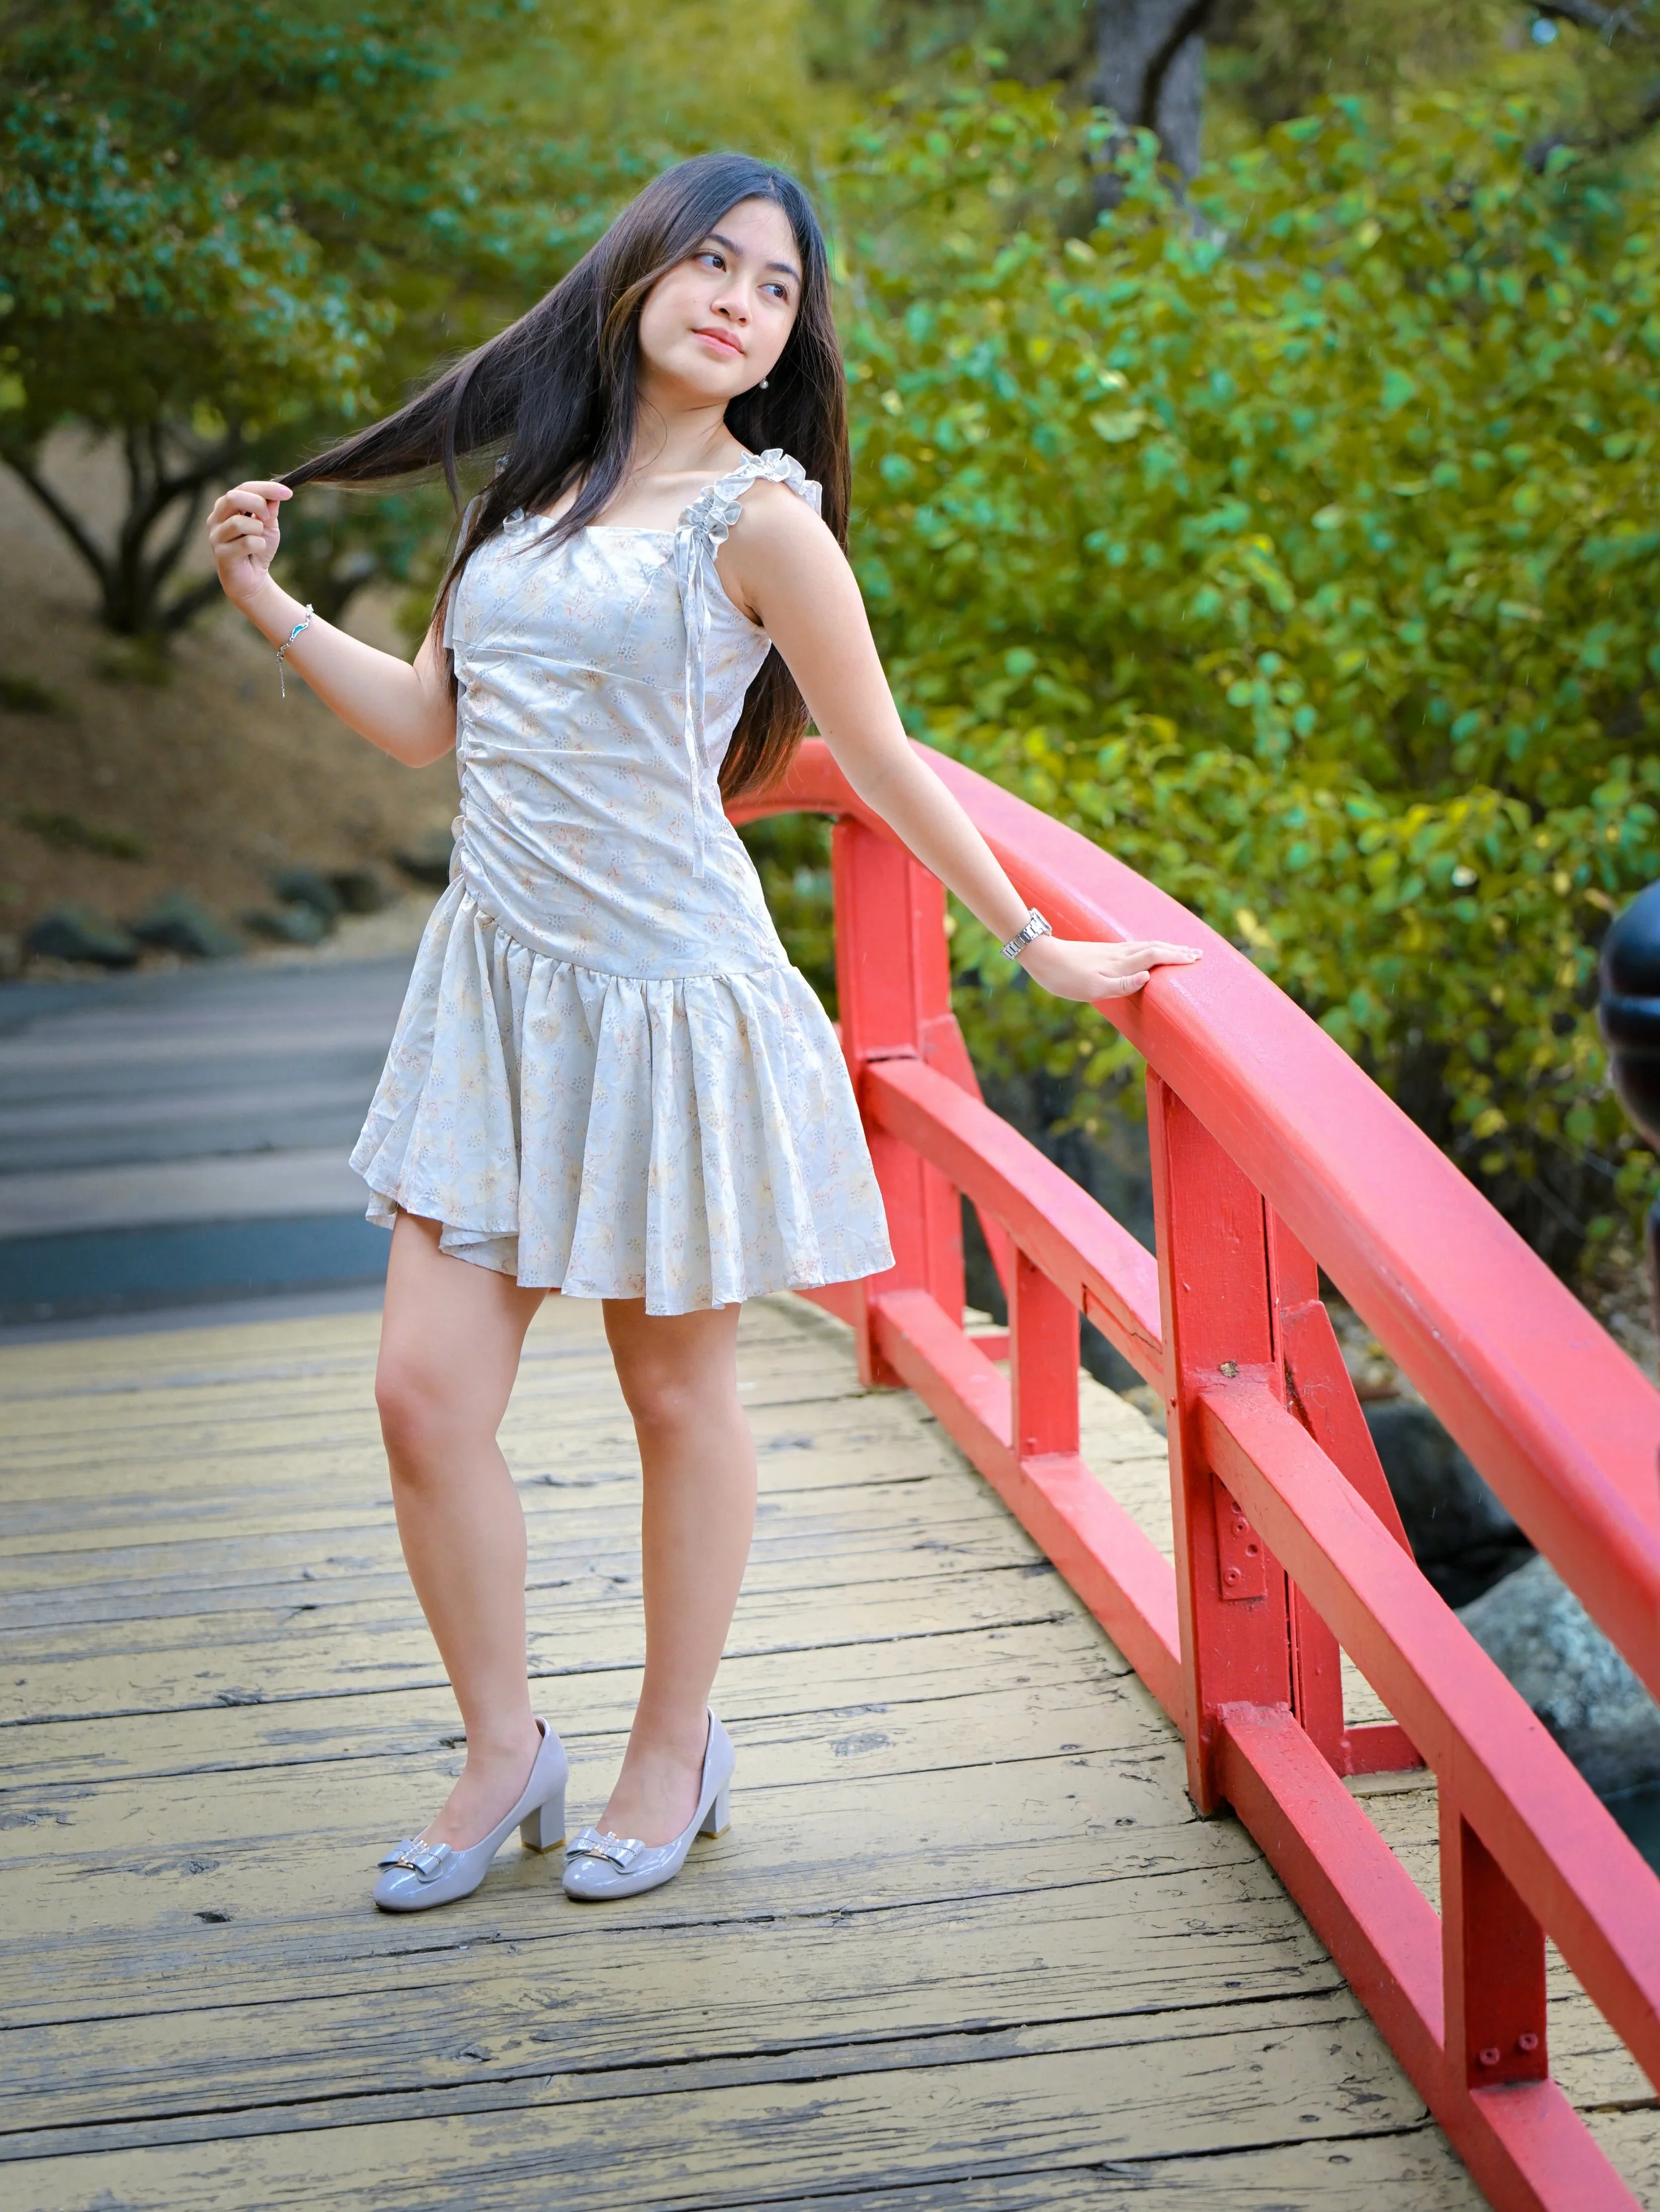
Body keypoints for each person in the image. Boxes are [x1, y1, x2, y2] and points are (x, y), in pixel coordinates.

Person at [207, 151, 1198, 1915]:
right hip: (498, 1000)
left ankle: (676, 1742)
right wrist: (271, 609)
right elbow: (430, 724)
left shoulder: (761, 520)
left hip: (668, 1002)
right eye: (714, 263)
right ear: (641, 273)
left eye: (778, 287)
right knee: (420, 1395)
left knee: (675, 1393)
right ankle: (502, 1739)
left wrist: (1030, 938)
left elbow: (880, 753)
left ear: (785, 340)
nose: (742, 298)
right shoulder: (525, 491)